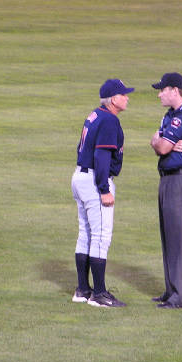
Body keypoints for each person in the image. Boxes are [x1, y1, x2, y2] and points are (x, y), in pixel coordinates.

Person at [71, 79, 134, 308]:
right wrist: (104, 189)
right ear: (113, 99)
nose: (127, 97)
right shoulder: (109, 120)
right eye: (124, 94)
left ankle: (82, 289)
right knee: (100, 236)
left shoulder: (95, 115)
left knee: (85, 233)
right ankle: (98, 294)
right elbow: (102, 156)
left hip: (80, 175)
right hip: (94, 180)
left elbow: (80, 148)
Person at [150, 72, 182, 309]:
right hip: (169, 179)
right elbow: (158, 144)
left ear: (174, 90)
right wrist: (160, 141)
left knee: (179, 239)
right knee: (169, 236)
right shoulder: (170, 115)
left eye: (162, 90)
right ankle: (172, 290)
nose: (159, 94)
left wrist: (160, 142)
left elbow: (161, 147)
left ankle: (181, 297)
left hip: (181, 181)